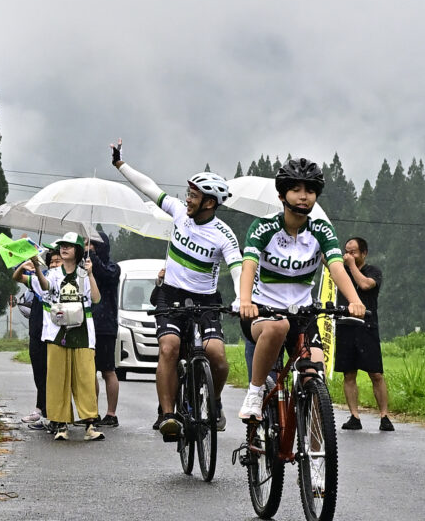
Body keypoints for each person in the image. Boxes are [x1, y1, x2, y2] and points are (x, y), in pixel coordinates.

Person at [112, 142, 243, 442]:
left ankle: (214, 401)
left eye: (194, 196)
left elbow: (237, 267)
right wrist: (121, 164)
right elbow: (150, 188)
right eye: (188, 193)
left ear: (209, 203)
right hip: (170, 293)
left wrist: (241, 298)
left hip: (205, 299)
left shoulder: (223, 235)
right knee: (169, 347)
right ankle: (168, 415)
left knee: (217, 357)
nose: (187, 199)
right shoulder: (179, 213)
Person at [234, 160, 367, 424]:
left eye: (310, 190)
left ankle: (315, 442)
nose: (303, 196)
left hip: (302, 315)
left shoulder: (321, 230)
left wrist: (355, 301)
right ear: (282, 196)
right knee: (278, 326)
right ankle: (255, 392)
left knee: (314, 375)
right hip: (263, 312)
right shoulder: (263, 227)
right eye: (296, 190)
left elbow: (336, 267)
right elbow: (248, 265)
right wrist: (246, 300)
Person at [41, 233, 103, 439]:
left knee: (86, 377)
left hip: (83, 330)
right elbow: (45, 286)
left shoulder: (84, 274)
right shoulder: (54, 274)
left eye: (69, 246)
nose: (64, 249)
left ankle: (90, 424)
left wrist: (91, 274)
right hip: (58, 330)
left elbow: (96, 299)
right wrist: (37, 268)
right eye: (62, 246)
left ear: (77, 250)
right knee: (57, 378)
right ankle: (61, 425)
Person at [336, 236, 392, 431]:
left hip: (367, 327)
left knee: (376, 374)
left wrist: (351, 265)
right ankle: (354, 416)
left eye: (353, 252)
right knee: (349, 374)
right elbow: (326, 259)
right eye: (346, 252)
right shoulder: (340, 271)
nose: (348, 255)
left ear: (364, 253)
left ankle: (384, 416)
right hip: (345, 326)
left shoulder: (373, 271)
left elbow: (365, 285)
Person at [86, 229, 124, 427]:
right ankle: (92, 412)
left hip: (106, 325)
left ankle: (111, 413)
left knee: (108, 370)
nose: (88, 248)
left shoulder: (113, 267)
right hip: (86, 323)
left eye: (92, 244)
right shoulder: (84, 267)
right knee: (89, 371)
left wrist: (92, 257)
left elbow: (103, 274)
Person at [12, 253, 52, 430]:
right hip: (36, 331)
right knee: (39, 373)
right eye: (53, 261)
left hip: (53, 334)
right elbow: (17, 277)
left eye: (58, 261)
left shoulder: (58, 281)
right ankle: (41, 409)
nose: (55, 263)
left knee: (51, 375)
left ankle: (50, 414)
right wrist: (25, 266)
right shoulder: (39, 278)